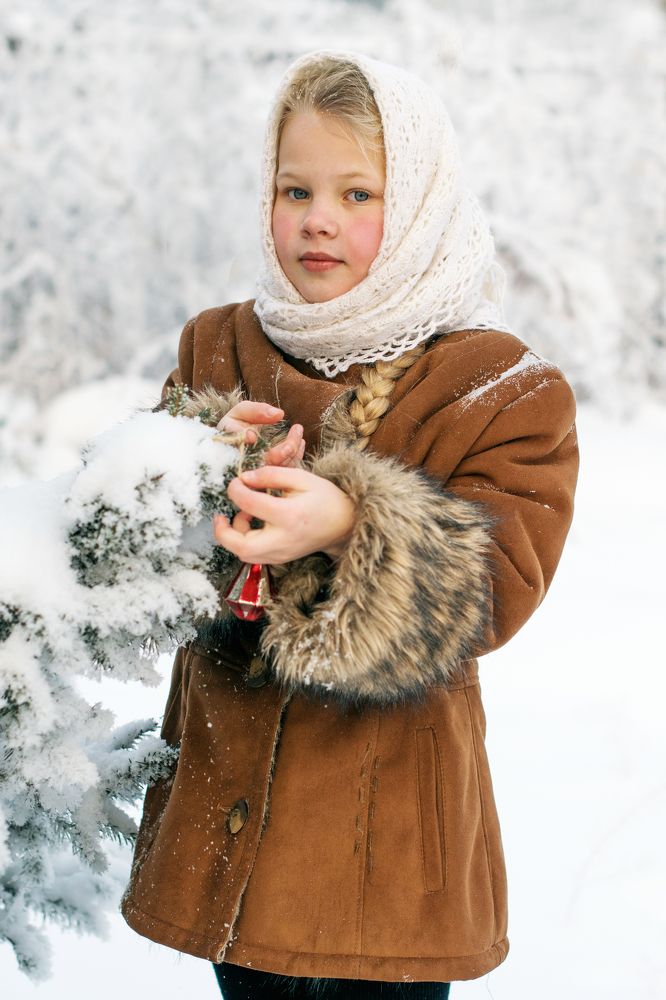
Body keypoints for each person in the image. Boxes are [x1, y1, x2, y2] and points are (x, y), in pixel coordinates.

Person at [120, 50, 579, 999]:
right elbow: (139, 543)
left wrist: (353, 523)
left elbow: (497, 585)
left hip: (389, 870)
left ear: (417, 208)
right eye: (296, 188)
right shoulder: (219, 347)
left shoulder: (500, 385)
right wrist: (198, 473)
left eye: (359, 193)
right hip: (233, 836)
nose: (318, 218)